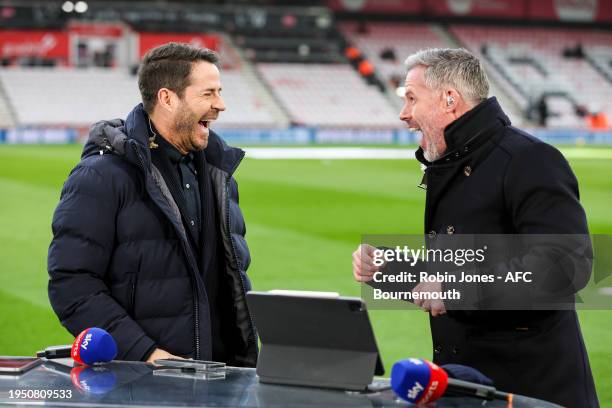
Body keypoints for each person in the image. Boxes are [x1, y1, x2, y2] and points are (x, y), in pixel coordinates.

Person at [352, 48, 598, 407]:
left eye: (411, 98)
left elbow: (562, 268)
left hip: (530, 391)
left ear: (449, 99)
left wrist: (453, 289)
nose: (404, 114)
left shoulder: (528, 159)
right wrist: (391, 271)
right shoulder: (453, 164)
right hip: (466, 388)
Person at [48, 43, 257, 366]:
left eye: (220, 92)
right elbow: (72, 283)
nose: (221, 105)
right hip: (140, 384)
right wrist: (146, 354)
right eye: (208, 93)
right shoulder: (101, 176)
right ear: (167, 98)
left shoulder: (221, 176)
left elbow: (231, 283)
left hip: (222, 380)